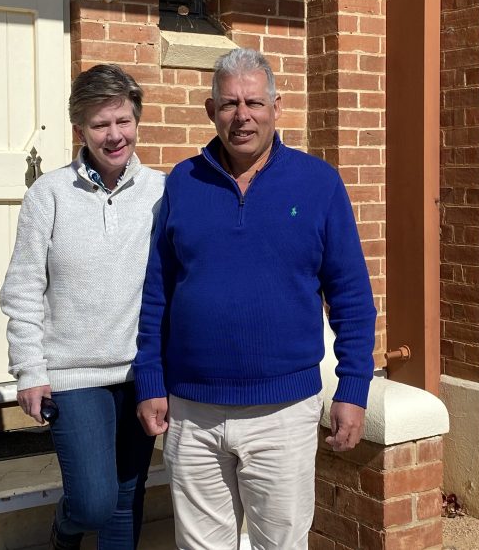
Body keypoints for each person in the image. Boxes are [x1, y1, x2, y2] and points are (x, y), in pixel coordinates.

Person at [134, 48, 377, 549]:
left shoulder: (319, 184)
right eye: (228, 104)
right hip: (192, 410)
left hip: (283, 413)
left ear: (276, 107)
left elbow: (351, 296)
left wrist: (353, 388)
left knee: (280, 544)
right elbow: (157, 292)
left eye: (253, 103)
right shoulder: (183, 182)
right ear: (210, 111)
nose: (241, 116)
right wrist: (150, 380)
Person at [0, 64, 164, 550]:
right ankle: (64, 529)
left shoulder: (161, 192)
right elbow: (24, 288)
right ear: (80, 131)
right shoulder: (48, 195)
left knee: (126, 497)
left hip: (141, 374)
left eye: (123, 122)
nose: (115, 136)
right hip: (74, 375)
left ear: (137, 121)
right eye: (100, 125)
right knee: (93, 501)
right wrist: (30, 370)